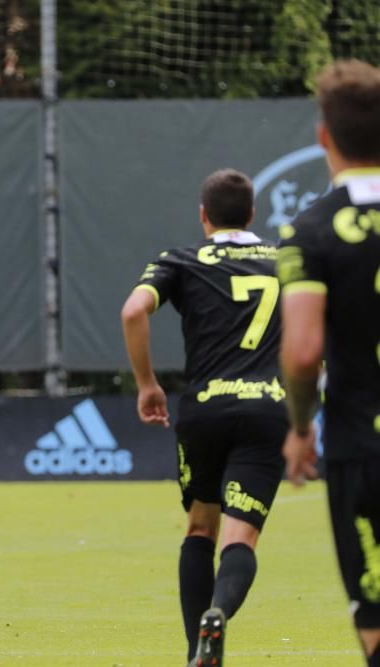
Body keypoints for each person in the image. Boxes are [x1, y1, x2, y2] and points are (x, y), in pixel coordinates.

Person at [121, 169, 287, 666]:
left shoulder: (181, 259)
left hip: (205, 410)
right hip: (267, 409)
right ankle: (219, 612)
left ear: (203, 215)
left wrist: (148, 384)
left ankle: (198, 648)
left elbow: (133, 311)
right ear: (253, 215)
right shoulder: (285, 260)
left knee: (200, 529)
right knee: (242, 535)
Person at [277, 59, 380, 667]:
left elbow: (304, 350)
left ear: (324, 136)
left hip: (360, 445)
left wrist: (297, 429)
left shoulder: (310, 230)